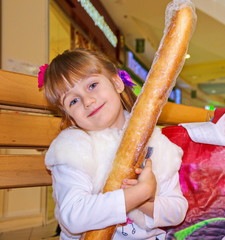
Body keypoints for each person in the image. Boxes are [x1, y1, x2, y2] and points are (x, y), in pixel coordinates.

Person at [39, 48, 188, 240]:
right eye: (73, 101)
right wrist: (140, 192)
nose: (88, 101)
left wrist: (144, 200)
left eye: (92, 85)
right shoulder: (73, 149)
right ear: (71, 118)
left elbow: (177, 211)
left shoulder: (156, 144)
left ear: (117, 82)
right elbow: (73, 216)